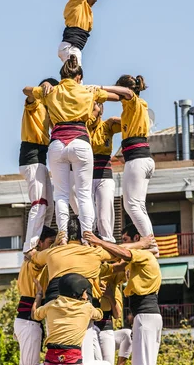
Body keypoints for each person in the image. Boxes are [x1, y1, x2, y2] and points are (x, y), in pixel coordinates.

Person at [23, 57, 121, 243]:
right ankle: (87, 235)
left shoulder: (52, 91)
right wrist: (96, 89)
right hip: (80, 142)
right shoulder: (86, 91)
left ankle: (63, 233)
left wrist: (44, 85)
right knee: (84, 194)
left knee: (61, 194)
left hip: (58, 143)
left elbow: (25, 90)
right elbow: (116, 97)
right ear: (79, 77)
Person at [84, 225, 162, 365]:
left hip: (146, 315)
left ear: (136, 238)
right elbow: (117, 263)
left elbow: (124, 252)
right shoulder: (139, 258)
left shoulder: (143, 255)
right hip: (143, 317)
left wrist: (99, 241)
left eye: (127, 238)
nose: (125, 242)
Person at [13, 226, 57, 365]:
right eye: (49, 244)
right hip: (29, 320)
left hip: (26, 321)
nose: (52, 249)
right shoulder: (36, 262)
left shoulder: (32, 263)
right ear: (39, 243)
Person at [107, 74, 155, 238]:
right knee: (138, 205)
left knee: (132, 205)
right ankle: (150, 241)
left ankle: (150, 242)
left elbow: (127, 94)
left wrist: (99, 88)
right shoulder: (136, 108)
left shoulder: (133, 101)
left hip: (137, 159)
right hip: (143, 159)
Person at [19, 78, 57, 254]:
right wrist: (42, 89)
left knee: (49, 206)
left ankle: (43, 239)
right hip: (31, 156)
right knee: (39, 203)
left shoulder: (49, 109)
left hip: (40, 158)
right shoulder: (37, 104)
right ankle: (31, 246)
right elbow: (26, 91)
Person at [87, 102, 121, 242]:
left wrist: (116, 119)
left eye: (95, 107)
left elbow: (128, 123)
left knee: (104, 216)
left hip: (104, 176)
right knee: (89, 216)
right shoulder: (82, 127)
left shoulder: (107, 126)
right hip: (86, 177)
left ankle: (108, 242)